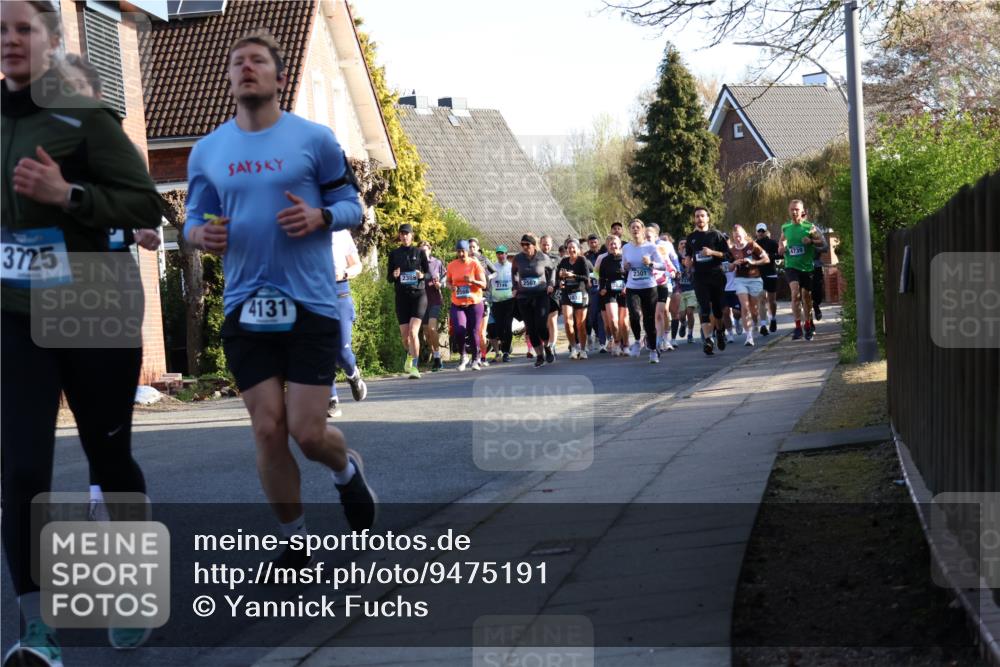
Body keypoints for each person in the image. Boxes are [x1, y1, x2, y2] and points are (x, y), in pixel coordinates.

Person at [2, 1, 163, 661]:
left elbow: (145, 203)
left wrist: (68, 194)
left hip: (94, 305)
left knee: (107, 457)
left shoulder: (87, 118)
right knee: (21, 467)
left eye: (22, 27)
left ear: (54, 37)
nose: (8, 39)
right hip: (15, 311)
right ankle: (36, 628)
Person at [184, 32, 377, 575]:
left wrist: (322, 217)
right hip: (245, 306)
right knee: (267, 427)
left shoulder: (313, 140)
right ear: (229, 77)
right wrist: (202, 236)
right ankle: (296, 542)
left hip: (311, 303)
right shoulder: (209, 150)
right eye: (237, 61)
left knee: (307, 433)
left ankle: (345, 472)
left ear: (277, 76)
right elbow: (192, 220)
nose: (247, 67)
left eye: (258, 61)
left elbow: (352, 206)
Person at [328, 228, 367, 417]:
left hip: (339, 293)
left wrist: (343, 273)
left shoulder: (341, 233)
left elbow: (357, 265)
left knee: (342, 352)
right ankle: (331, 400)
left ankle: (353, 374)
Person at [684, 207, 731, 356]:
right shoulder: (691, 237)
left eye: (702, 216)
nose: (700, 219)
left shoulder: (716, 235)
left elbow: (728, 255)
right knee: (704, 308)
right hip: (700, 277)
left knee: (718, 310)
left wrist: (711, 253)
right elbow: (689, 256)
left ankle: (720, 332)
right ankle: (708, 340)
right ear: (694, 219)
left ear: (708, 218)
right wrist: (687, 262)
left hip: (716, 276)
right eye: (697, 216)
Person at [778, 199, 824, 341]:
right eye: (792, 209)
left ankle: (808, 324)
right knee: (795, 293)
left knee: (806, 297)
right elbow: (782, 240)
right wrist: (781, 247)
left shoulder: (809, 227)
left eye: (797, 209)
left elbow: (821, 242)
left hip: (807, 268)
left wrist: (811, 241)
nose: (794, 212)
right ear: (789, 210)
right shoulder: (785, 227)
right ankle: (797, 327)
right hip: (791, 266)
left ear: (802, 210)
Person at [387, 223, 429, 379]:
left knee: (413, 331)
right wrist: (395, 275)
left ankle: (415, 367)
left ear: (412, 235)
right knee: (405, 337)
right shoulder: (394, 254)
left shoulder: (419, 253)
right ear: (399, 236)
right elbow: (389, 278)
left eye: (407, 234)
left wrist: (422, 275)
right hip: (402, 297)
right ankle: (410, 356)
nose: (404, 236)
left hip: (418, 295)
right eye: (402, 234)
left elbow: (429, 274)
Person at [622, 219, 665, 363]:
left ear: (642, 229)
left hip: (649, 287)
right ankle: (636, 340)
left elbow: (663, 266)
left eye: (637, 227)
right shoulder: (626, 248)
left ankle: (653, 349)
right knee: (633, 315)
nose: (635, 230)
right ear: (630, 230)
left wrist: (651, 263)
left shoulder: (651, 247)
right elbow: (623, 266)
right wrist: (626, 267)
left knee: (649, 320)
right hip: (632, 286)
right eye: (632, 227)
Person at [512, 234, 556, 367]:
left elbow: (552, 270)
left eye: (527, 244)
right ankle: (539, 355)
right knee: (531, 328)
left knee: (541, 326)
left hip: (541, 295)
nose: (525, 247)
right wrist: (515, 287)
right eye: (522, 245)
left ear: (533, 245)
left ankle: (547, 347)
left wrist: (551, 284)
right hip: (523, 297)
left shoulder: (543, 257)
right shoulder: (518, 258)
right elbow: (513, 273)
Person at [446, 240, 487, 370]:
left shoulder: (475, 264)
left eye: (463, 251)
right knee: (459, 330)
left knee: (474, 331)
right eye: (459, 251)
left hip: (474, 303)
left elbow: (484, 284)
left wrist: (472, 281)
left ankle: (476, 358)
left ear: (468, 251)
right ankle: (463, 356)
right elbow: (447, 282)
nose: (461, 254)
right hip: (457, 303)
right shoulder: (452, 265)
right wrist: (451, 287)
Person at [729, 224, 769, 347]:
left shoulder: (752, 246)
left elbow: (766, 259)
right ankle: (749, 336)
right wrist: (734, 263)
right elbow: (729, 268)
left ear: (745, 235)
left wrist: (753, 262)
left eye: (739, 236)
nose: (738, 238)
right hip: (740, 280)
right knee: (745, 307)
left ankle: (756, 321)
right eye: (735, 236)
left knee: (753, 309)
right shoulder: (732, 250)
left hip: (755, 279)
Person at [557, 240, 593, 359]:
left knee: (580, 324)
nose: (571, 250)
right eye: (569, 248)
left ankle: (582, 349)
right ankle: (573, 347)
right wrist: (561, 280)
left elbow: (586, 277)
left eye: (573, 248)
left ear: (578, 249)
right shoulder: (564, 261)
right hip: (567, 293)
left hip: (580, 293)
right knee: (567, 321)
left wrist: (573, 276)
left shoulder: (582, 260)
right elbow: (559, 275)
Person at [645, 223, 678, 353]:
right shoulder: (639, 251)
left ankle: (663, 338)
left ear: (655, 237)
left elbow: (669, 264)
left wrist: (674, 271)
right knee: (652, 314)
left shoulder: (661, 248)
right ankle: (653, 337)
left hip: (663, 283)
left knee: (662, 311)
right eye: (645, 237)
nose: (648, 239)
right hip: (647, 285)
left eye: (650, 237)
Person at [597, 234, 630, 356]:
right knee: (613, 321)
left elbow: (631, 275)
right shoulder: (604, 260)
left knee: (624, 322)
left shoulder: (626, 258)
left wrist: (627, 287)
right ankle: (616, 342)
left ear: (620, 245)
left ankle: (625, 345)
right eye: (610, 244)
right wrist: (602, 288)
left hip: (624, 293)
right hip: (610, 293)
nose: (613, 245)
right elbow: (601, 277)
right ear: (607, 247)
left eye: (615, 243)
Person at [468, 237, 495, 367]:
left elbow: (495, 271)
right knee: (473, 330)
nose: (472, 249)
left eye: (474, 247)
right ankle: (476, 356)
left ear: (478, 248)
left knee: (481, 332)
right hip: (470, 298)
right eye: (470, 247)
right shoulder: (464, 262)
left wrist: (487, 278)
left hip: (483, 297)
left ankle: (483, 357)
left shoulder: (484, 259)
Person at [419, 240, 446, 371]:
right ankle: (436, 357)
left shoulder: (437, 263)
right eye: (421, 251)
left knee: (432, 328)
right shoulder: (416, 264)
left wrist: (440, 284)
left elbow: (445, 276)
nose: (423, 252)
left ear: (430, 250)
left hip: (434, 299)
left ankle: (436, 358)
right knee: (426, 332)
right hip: (421, 301)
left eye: (425, 250)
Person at [487, 245, 515, 362]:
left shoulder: (512, 267)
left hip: (509, 301)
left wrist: (515, 292)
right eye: (498, 253)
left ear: (506, 254)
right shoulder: (493, 267)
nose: (501, 255)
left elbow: (517, 281)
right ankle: (503, 349)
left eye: (503, 253)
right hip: (496, 302)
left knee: (507, 327)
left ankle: (506, 352)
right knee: (499, 328)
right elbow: (488, 282)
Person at [753, 222, 780, 335]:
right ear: (756, 232)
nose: (760, 233)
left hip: (771, 273)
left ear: (766, 231)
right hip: (759, 274)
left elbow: (781, 254)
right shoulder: (753, 245)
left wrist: (771, 256)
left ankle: (773, 319)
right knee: (761, 299)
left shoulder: (772, 243)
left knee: (772, 301)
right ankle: (763, 325)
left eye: (762, 231)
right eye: (759, 231)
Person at [583, 233, 607, 352]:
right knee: (592, 316)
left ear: (598, 242)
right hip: (591, 288)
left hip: (603, 287)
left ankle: (601, 340)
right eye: (591, 242)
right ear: (588, 243)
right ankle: (596, 335)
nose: (593, 244)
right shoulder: (585, 256)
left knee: (601, 316)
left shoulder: (603, 254)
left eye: (595, 242)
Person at [539, 234, 561, 359]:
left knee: (552, 320)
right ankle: (546, 345)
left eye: (548, 244)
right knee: (544, 323)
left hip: (554, 293)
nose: (546, 246)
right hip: (540, 293)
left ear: (551, 245)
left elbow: (560, 274)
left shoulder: (556, 258)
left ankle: (552, 345)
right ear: (540, 244)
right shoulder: (536, 258)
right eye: (543, 244)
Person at [675, 239, 698, 344]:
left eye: (685, 244)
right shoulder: (674, 258)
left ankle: (690, 334)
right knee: (682, 315)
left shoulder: (692, 257)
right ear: (678, 247)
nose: (684, 245)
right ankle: (683, 324)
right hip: (680, 291)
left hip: (691, 289)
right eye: (681, 244)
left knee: (690, 312)